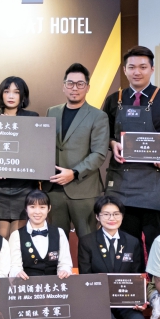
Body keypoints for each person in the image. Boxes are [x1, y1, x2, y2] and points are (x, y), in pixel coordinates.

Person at [102, 46, 160, 253]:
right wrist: (112, 144)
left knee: (155, 239)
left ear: (152, 69)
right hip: (121, 180)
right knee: (126, 241)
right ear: (124, 70)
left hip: (153, 179)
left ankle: (156, 274)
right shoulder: (113, 99)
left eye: (143, 67)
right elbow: (102, 133)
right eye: (132, 67)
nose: (137, 72)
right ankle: (131, 274)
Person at [77, 195, 147, 319]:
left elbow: (138, 274)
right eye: (106, 214)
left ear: (122, 216)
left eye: (116, 214)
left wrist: (139, 298)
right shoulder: (87, 242)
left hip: (125, 300)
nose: (111, 218)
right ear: (97, 217)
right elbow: (85, 276)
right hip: (98, 300)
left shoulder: (133, 242)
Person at [8, 190, 74, 319]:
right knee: (38, 318)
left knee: (66, 317)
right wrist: (17, 273)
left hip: (55, 287)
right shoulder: (16, 235)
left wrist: (64, 271)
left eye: (42, 207)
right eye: (32, 207)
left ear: (49, 209)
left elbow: (66, 263)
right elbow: (14, 266)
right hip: (29, 289)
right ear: (26, 209)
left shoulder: (59, 232)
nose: (37, 211)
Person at [45, 63, 109, 239]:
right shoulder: (52, 112)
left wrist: (74, 173)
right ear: (64, 86)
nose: (75, 88)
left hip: (84, 190)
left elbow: (99, 154)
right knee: (56, 243)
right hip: (54, 189)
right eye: (70, 83)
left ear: (87, 87)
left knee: (89, 242)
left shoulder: (98, 116)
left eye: (80, 84)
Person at [0, 76, 40, 238]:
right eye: (6, 91)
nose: (11, 96)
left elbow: (34, 148)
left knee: (17, 237)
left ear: (22, 96)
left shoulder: (32, 118)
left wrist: (11, 129)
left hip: (24, 185)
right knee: (1, 237)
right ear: (1, 94)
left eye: (16, 92)